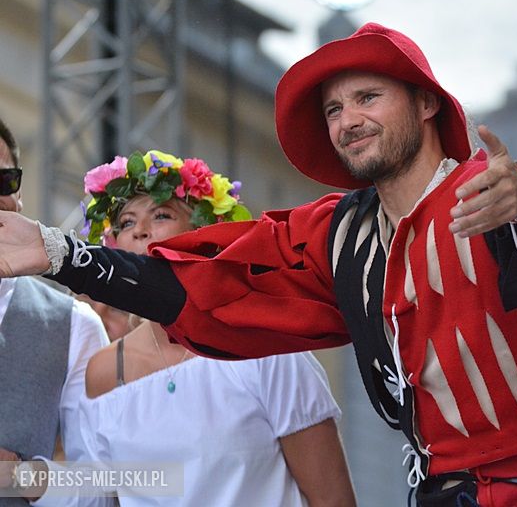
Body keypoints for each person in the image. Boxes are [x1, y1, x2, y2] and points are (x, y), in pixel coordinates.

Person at [0, 23, 517, 507]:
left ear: (426, 101)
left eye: (368, 97)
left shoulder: (495, 193)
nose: (348, 120)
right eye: (334, 109)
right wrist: (62, 255)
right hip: (441, 491)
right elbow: (214, 285)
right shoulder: (337, 235)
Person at [76, 151, 356, 506]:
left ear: (202, 233)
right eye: (126, 222)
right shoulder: (104, 372)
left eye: (161, 215)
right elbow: (94, 495)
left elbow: (332, 499)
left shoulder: (264, 344)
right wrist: (19, 476)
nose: (141, 230)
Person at [0, 117, 109, 505]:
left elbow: (104, 491)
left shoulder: (74, 326)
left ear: (18, 197)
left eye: (3, 181)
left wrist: (20, 476)